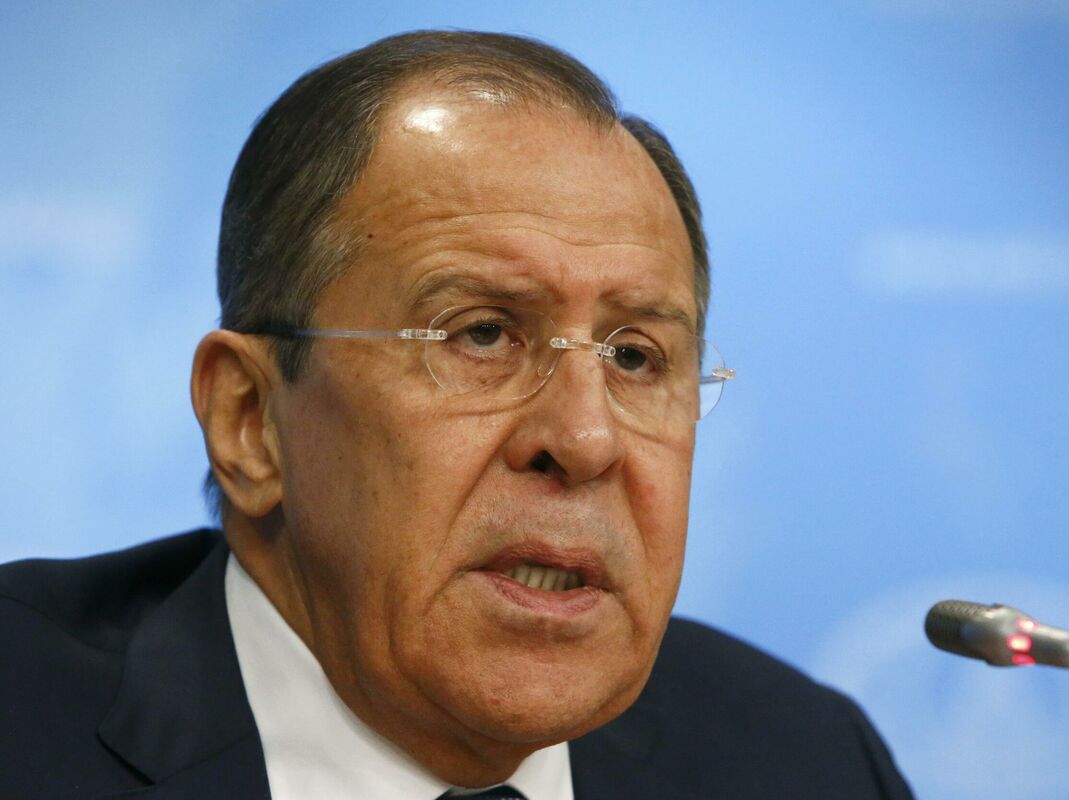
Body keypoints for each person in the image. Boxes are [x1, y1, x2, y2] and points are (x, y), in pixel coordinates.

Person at [0, 31, 913, 799]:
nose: (585, 439)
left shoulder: (805, 764)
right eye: (481, 335)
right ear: (250, 420)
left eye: (635, 357)